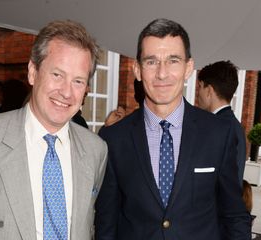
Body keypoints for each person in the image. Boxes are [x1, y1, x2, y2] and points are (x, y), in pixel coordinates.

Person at [0, 20, 108, 240]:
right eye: (57, 75)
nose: (67, 92)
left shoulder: (96, 150)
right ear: (33, 72)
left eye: (78, 81)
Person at [95, 18, 251, 240]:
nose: (162, 73)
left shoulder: (218, 133)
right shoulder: (113, 138)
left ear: (188, 68)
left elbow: (234, 215)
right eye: (151, 61)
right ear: (137, 70)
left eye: (173, 60)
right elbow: (106, 222)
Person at [197, 60, 247, 186]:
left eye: (199, 87)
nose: (198, 94)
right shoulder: (235, 126)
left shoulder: (215, 128)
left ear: (209, 90)